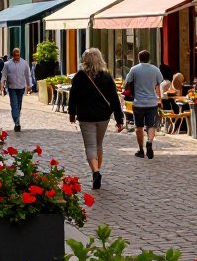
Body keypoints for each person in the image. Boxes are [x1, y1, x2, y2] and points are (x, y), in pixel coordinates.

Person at [69, 48, 125, 190]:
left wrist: (72, 113)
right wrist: (119, 119)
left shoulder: (79, 76)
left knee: (90, 146)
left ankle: (95, 172)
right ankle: (97, 171)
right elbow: (114, 99)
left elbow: (73, 96)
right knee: (98, 144)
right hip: (103, 116)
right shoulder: (106, 76)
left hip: (85, 116)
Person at [124, 49, 163, 159]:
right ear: (149, 58)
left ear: (138, 58)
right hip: (152, 102)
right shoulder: (155, 69)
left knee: (139, 126)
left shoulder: (134, 69)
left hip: (138, 103)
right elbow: (158, 85)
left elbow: (127, 82)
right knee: (151, 125)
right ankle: (149, 142)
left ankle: (141, 149)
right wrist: (159, 99)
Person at [2, 47, 30, 133]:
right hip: (12, 87)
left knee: (19, 106)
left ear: (20, 55)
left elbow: (27, 75)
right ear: (12, 55)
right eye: (15, 55)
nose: (16, 56)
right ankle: (17, 123)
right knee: (14, 105)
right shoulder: (7, 64)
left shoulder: (24, 63)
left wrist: (29, 85)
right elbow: (4, 75)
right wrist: (1, 85)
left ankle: (17, 120)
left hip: (21, 87)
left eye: (18, 55)